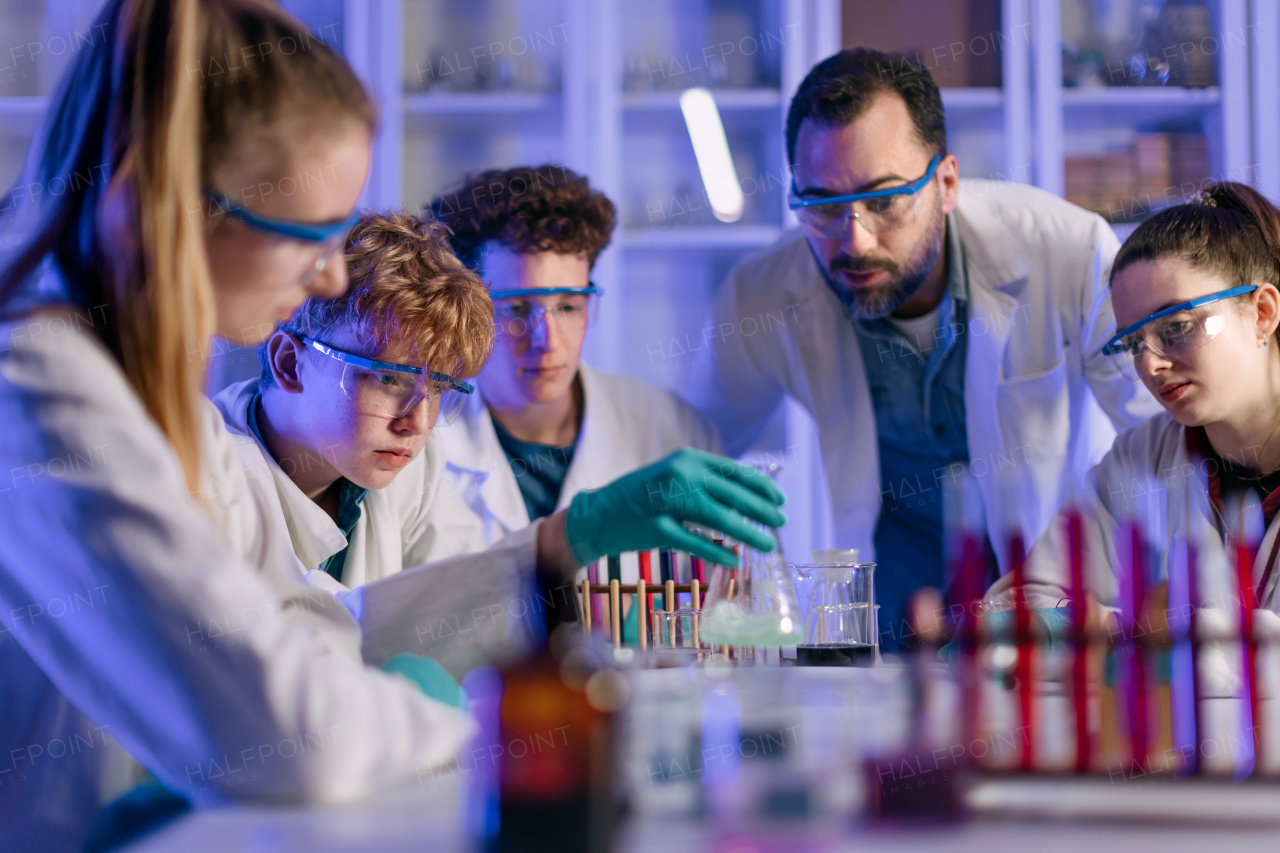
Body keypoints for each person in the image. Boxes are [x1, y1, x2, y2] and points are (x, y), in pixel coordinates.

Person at [0, 2, 784, 850]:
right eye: (310, 234)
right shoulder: (40, 385)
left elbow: (317, 634)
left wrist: (551, 559)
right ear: (168, 202)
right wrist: (508, 739)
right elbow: (295, 731)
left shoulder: (140, 388)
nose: (329, 273)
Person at [685, 48, 1160, 652]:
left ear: (947, 183)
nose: (852, 239)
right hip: (893, 630)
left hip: (1047, 619)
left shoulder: (1070, 253)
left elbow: (1163, 445)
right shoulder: (764, 295)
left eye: (883, 200)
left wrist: (1136, 612)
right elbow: (689, 451)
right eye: (820, 206)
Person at [985, 182, 1280, 617]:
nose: (1149, 366)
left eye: (1176, 328)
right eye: (1134, 344)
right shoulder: (1140, 457)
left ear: (1262, 312)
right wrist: (1121, 631)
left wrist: (1139, 635)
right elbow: (1011, 609)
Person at [428, 166, 720, 558]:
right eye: (516, 308)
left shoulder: (672, 429)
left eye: (568, 306)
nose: (546, 339)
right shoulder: (421, 441)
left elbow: (728, 601)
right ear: (468, 311)